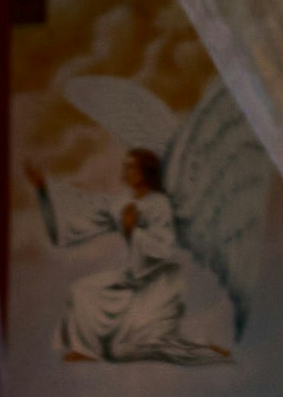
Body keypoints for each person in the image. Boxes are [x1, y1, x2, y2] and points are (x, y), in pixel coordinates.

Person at [38, 149, 228, 366]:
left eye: (131, 167)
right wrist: (45, 191)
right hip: (133, 277)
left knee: (138, 348)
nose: (126, 171)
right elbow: (86, 210)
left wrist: (133, 232)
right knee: (82, 291)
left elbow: (163, 249)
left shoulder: (160, 204)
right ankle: (87, 349)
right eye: (125, 166)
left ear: (145, 172)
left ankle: (207, 352)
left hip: (158, 282)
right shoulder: (120, 202)